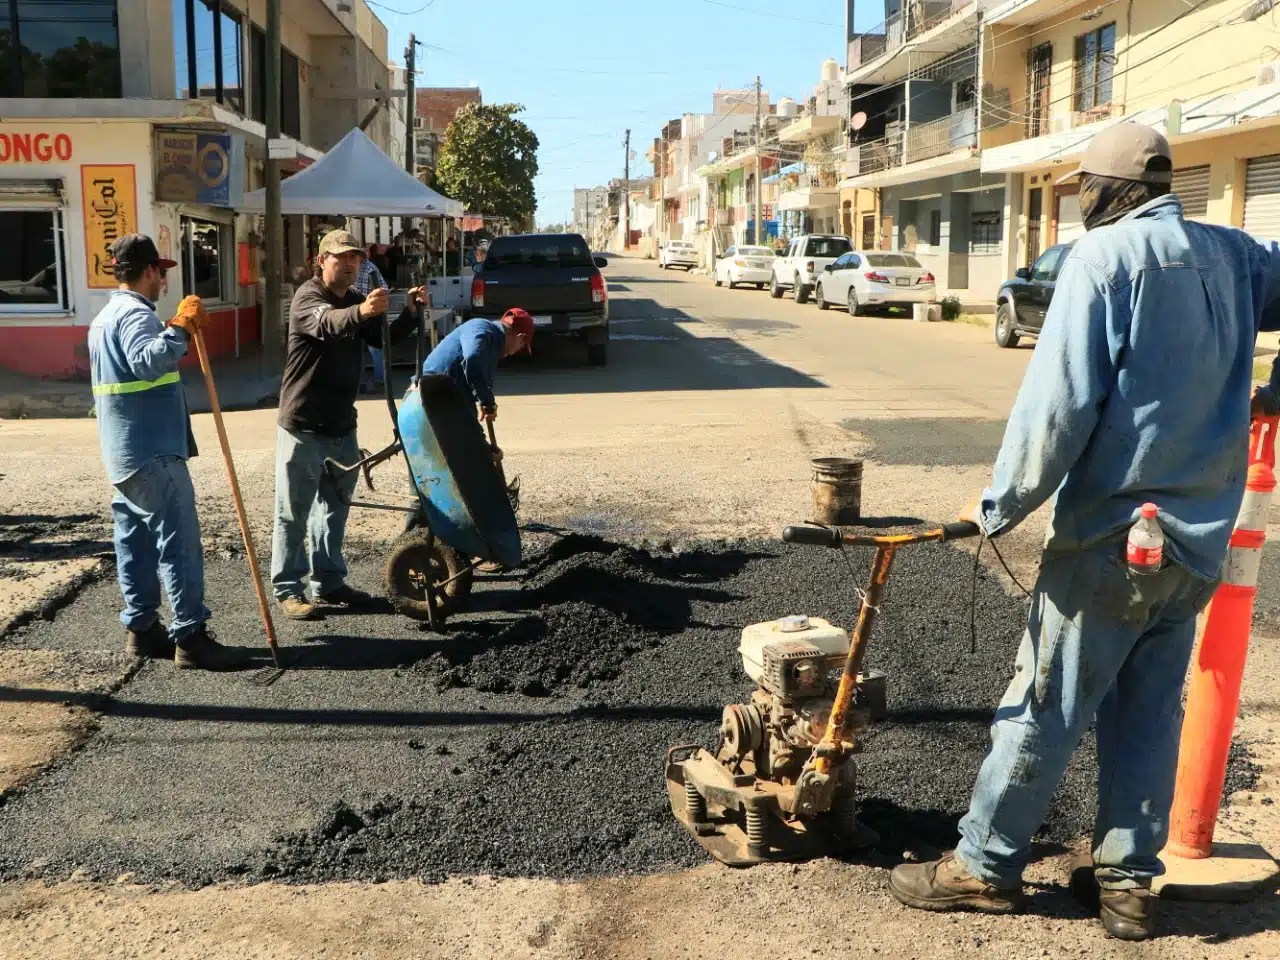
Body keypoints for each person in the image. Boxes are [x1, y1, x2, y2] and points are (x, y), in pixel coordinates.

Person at [888, 122, 1280, 941]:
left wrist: (997, 507)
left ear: (1111, 191)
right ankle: (1129, 886)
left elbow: (1058, 408)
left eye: (1084, 191)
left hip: (1115, 539)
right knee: (1146, 711)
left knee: (1046, 701)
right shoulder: (1238, 254)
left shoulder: (1102, 261)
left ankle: (984, 865)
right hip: (1195, 542)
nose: (1081, 204)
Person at [88, 234, 250, 670]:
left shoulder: (103, 317)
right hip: (153, 451)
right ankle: (191, 637)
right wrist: (179, 327)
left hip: (125, 454)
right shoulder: (135, 315)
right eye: (161, 272)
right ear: (148, 272)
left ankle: (142, 630)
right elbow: (147, 361)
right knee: (178, 543)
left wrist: (175, 328)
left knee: (136, 543)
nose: (164, 281)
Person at [272, 230, 429, 621]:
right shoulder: (308, 299)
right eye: (340, 257)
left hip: (342, 424)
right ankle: (289, 589)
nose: (349, 264)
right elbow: (330, 324)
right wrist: (362, 313)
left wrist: (407, 312)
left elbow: (383, 338)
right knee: (293, 513)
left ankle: (328, 581)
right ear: (320, 261)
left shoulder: (356, 301)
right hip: (303, 425)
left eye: (355, 258)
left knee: (335, 509)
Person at [421, 307, 534, 426]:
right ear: (520, 337)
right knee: (470, 439)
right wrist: (487, 401)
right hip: (438, 390)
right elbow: (472, 359)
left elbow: (478, 375)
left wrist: (485, 401)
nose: (517, 351)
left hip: (445, 389)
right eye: (522, 347)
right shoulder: (484, 330)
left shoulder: (491, 338)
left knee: (472, 433)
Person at [354, 247, 390, 393]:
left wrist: (373, 299)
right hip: (356, 312)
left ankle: (380, 381)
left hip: (371, 313)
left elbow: (384, 288)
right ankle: (360, 382)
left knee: (375, 349)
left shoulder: (370, 268)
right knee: (357, 348)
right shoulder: (353, 268)